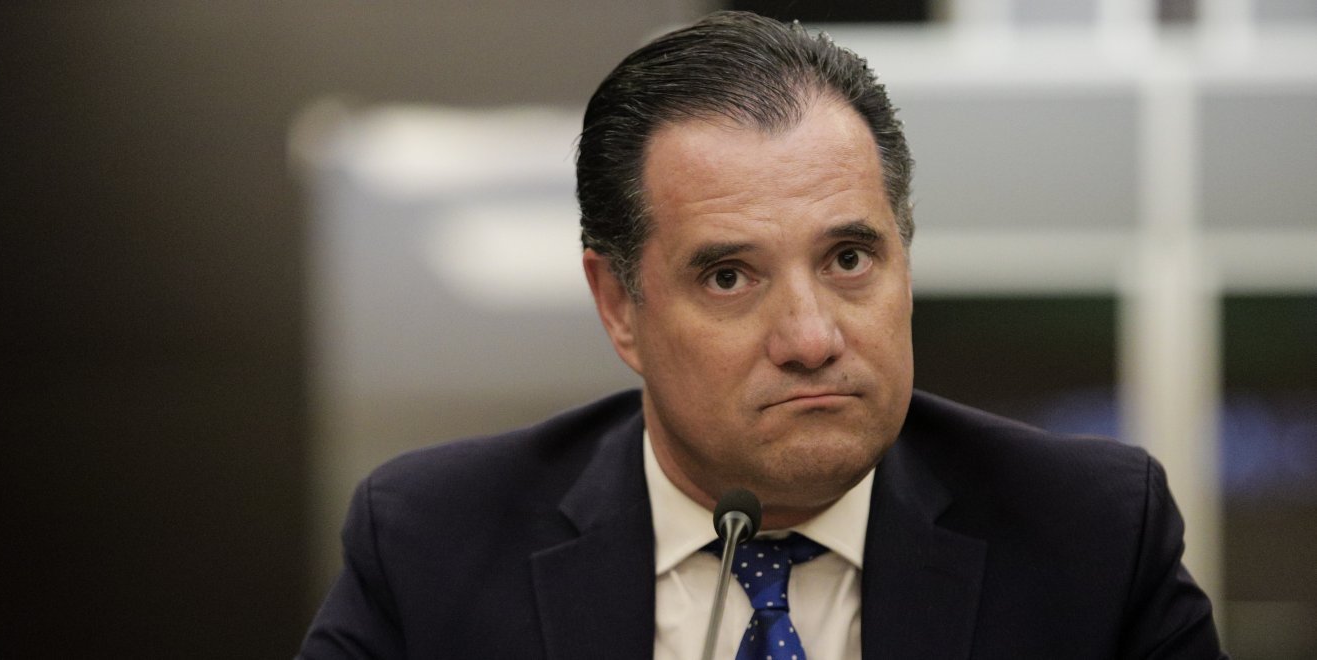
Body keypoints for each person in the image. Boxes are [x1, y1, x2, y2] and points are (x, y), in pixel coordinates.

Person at [298, 11, 1224, 659]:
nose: (811, 338)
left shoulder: (1091, 538)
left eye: (849, 259)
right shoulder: (433, 548)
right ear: (619, 306)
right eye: (729, 277)